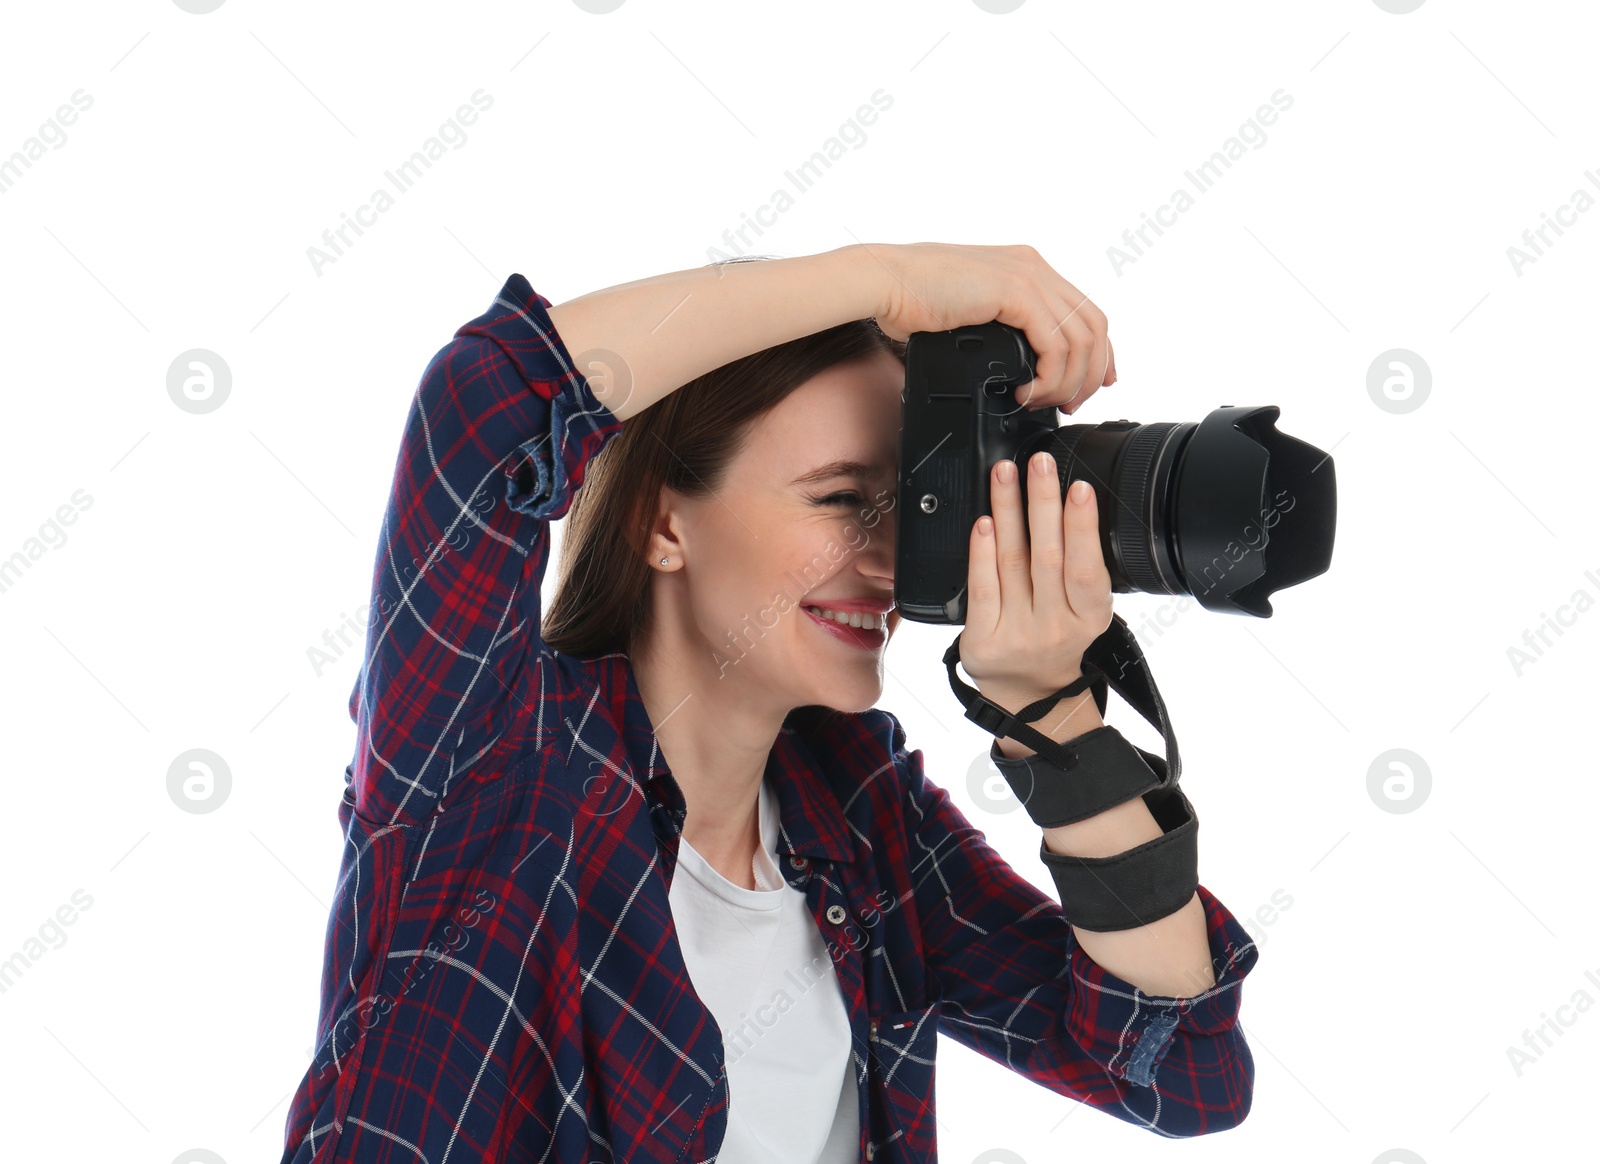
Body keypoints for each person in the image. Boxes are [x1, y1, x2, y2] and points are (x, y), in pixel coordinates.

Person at [279, 243, 1260, 1164]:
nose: (890, 564)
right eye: (840, 501)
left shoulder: (861, 811)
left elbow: (1174, 1068)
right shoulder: (496, 750)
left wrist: (1054, 720)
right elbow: (482, 405)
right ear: (663, 521)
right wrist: (888, 279)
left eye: (908, 505)